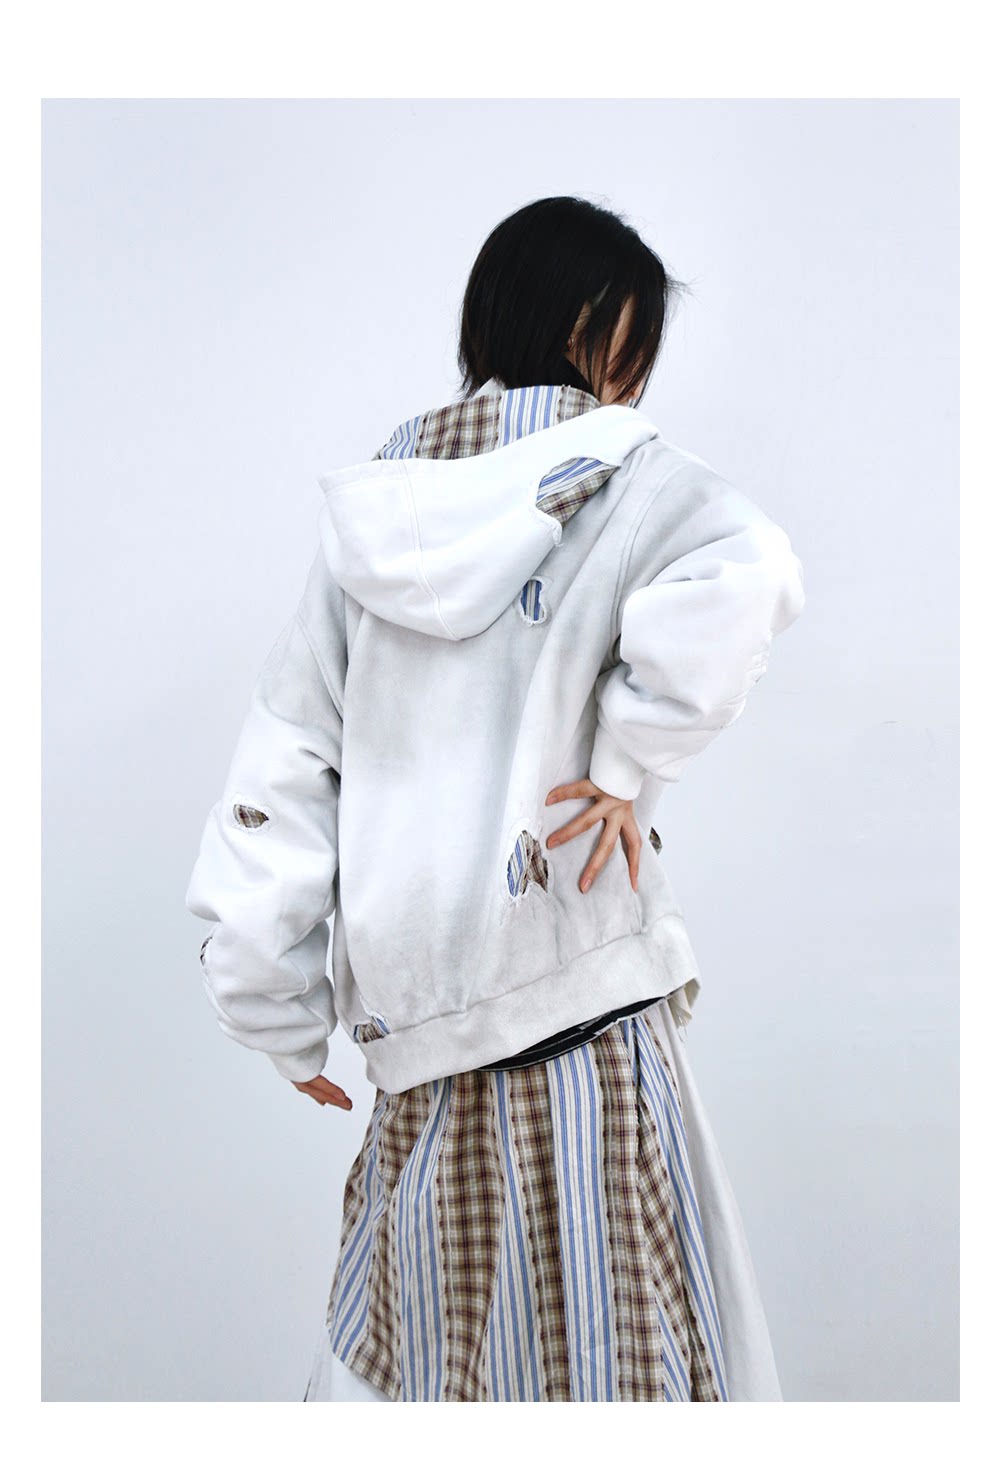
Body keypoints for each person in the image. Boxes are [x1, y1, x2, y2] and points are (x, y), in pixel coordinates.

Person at [185, 195, 805, 1402]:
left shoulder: (376, 519)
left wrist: (273, 1005)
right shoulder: (631, 477)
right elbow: (751, 565)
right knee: (615, 1358)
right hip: (586, 1025)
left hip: (425, 1057)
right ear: (599, 335)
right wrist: (627, 761)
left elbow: (286, 765)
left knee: (425, 1359)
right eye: (635, 346)